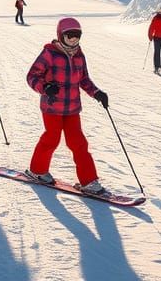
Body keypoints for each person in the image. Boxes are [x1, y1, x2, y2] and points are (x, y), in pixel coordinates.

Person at [25, 17, 109, 195]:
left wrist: (97, 93)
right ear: (60, 35)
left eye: (77, 36)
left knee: (79, 143)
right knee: (51, 139)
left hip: (72, 109)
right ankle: (37, 171)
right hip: (52, 107)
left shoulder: (79, 55)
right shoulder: (50, 53)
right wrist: (45, 87)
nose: (73, 40)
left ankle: (89, 181)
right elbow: (32, 76)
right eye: (69, 36)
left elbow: (84, 80)